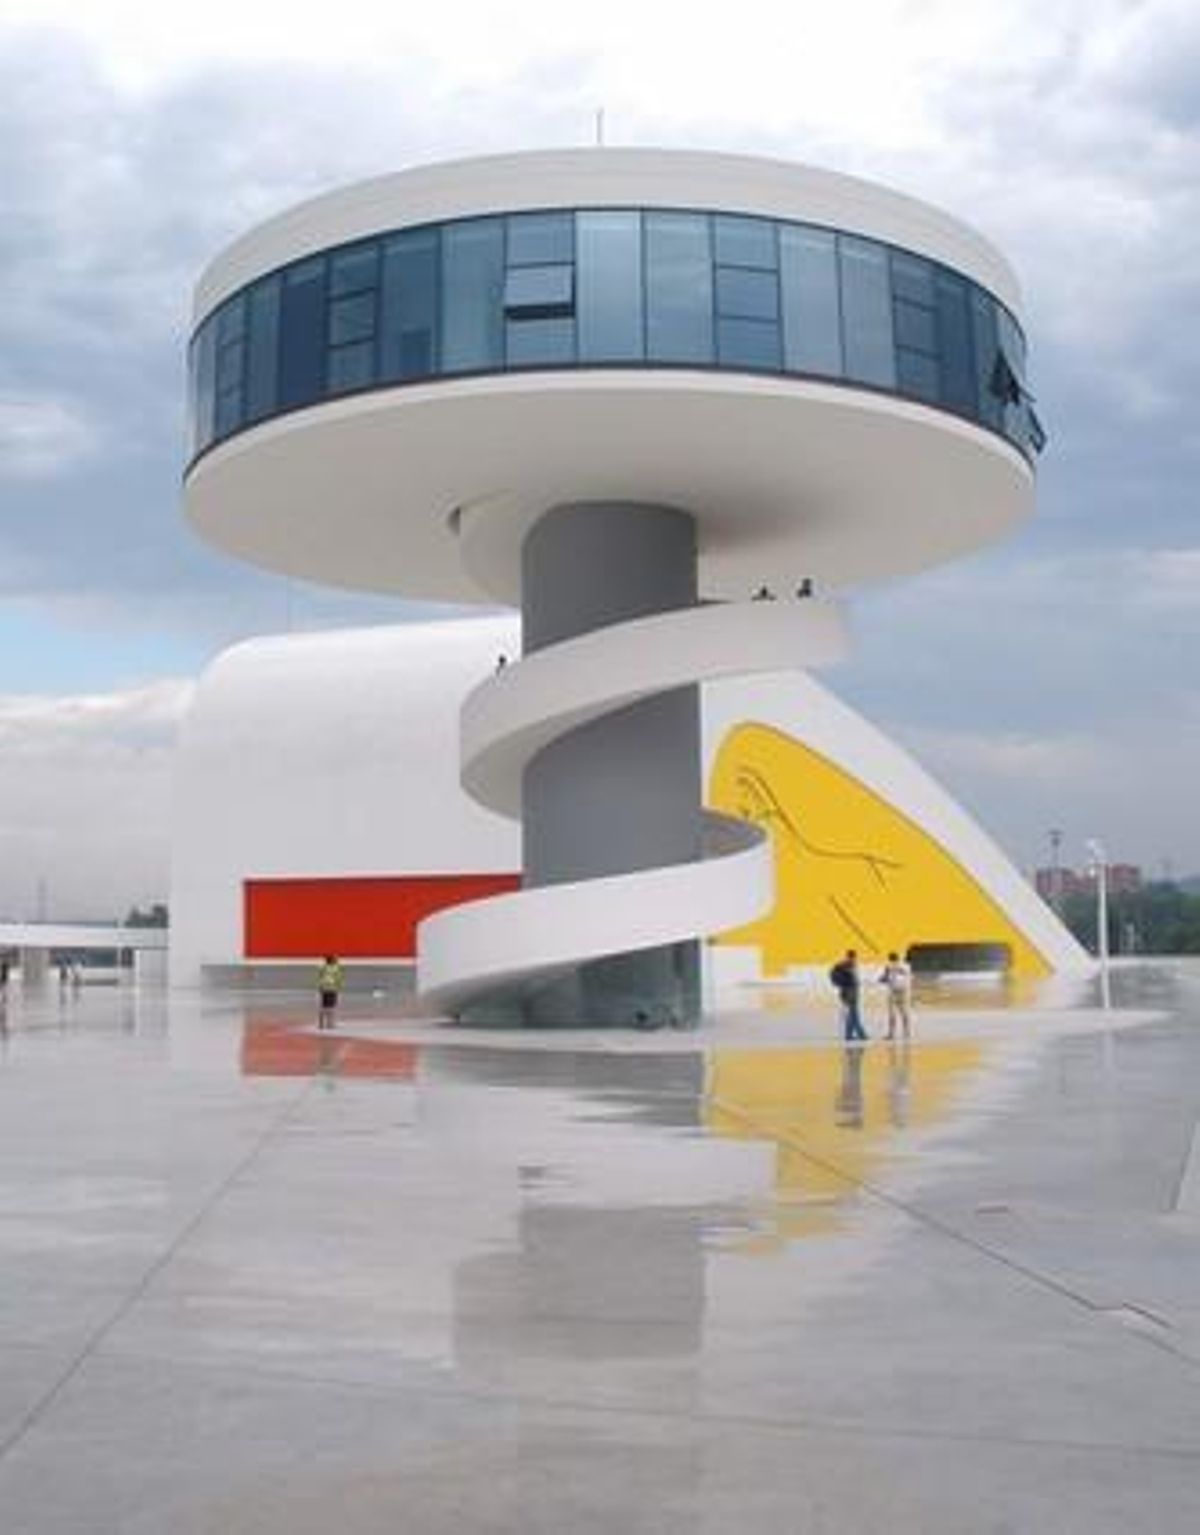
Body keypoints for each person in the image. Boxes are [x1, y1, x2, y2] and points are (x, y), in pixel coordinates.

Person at [829, 949, 868, 1042]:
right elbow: (853, 980)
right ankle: (860, 1034)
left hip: (845, 992)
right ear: (854, 957)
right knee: (854, 1013)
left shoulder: (840, 965)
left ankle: (849, 1034)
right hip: (851, 992)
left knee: (852, 1013)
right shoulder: (849, 965)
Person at [878, 951, 913, 1039]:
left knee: (892, 1013)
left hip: (893, 992)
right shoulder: (906, 966)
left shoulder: (889, 967)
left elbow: (884, 979)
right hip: (904, 991)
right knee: (904, 1012)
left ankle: (891, 1034)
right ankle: (907, 1032)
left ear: (890, 959)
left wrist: (881, 979)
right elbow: (909, 978)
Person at [317, 954, 342, 1030]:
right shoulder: (336, 968)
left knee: (323, 1006)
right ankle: (330, 1023)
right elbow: (338, 978)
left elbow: (319, 977)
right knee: (331, 1006)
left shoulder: (322, 967)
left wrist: (320, 987)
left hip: (324, 987)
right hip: (332, 988)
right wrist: (338, 987)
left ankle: (321, 1023)